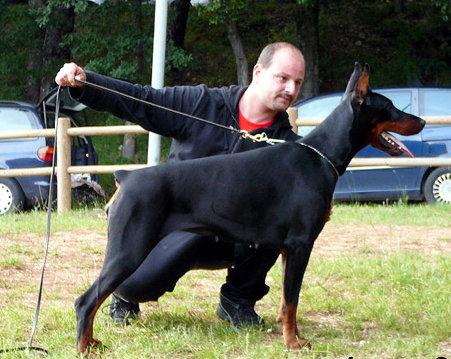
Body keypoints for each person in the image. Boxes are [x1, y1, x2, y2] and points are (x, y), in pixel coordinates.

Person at [55, 42, 305, 328]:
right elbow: (141, 100)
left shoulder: (284, 144)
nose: (290, 89)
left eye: (297, 82)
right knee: (135, 286)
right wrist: (88, 84)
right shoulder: (203, 104)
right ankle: (124, 295)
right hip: (173, 225)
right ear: (258, 72)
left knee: (279, 218)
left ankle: (238, 300)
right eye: (282, 78)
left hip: (232, 237)